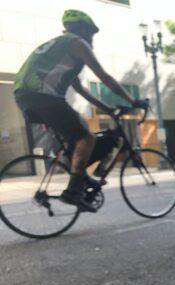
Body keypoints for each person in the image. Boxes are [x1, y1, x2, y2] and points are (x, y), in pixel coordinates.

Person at [13, 10, 148, 212]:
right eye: (91, 34)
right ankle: (73, 192)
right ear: (83, 31)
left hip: (26, 95)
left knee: (77, 133)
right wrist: (133, 100)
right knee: (87, 138)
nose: (92, 40)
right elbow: (104, 76)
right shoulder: (77, 43)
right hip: (43, 96)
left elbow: (80, 89)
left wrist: (107, 109)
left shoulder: (60, 48)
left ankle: (81, 177)